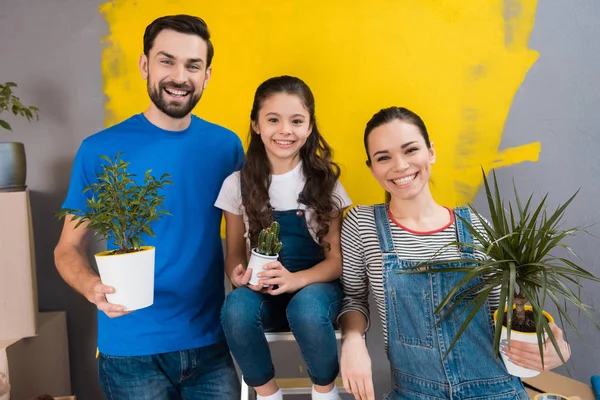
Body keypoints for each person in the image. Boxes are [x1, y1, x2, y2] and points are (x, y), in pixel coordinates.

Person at [54, 15, 242, 399]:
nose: (179, 76)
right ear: (145, 65)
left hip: (210, 344)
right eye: (166, 61)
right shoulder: (99, 150)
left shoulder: (227, 148)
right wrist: (92, 287)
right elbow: (66, 248)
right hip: (131, 352)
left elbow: (240, 242)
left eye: (193, 65)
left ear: (207, 75)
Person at [338, 106, 571, 400]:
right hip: (414, 393)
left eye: (410, 150)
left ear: (430, 152)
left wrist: (555, 346)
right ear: (372, 167)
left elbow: (513, 309)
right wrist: (352, 340)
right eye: (383, 157)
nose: (399, 165)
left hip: (496, 390)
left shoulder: (476, 226)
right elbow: (353, 299)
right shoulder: (362, 224)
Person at [215, 75, 352, 400]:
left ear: (309, 127)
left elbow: (337, 262)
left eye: (296, 120)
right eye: (273, 119)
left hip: (317, 291)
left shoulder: (325, 183)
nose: (285, 130)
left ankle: (324, 391)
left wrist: (295, 280)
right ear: (256, 124)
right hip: (263, 291)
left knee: (305, 309)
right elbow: (234, 251)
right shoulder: (237, 185)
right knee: (235, 309)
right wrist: (238, 274)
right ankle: (267, 393)